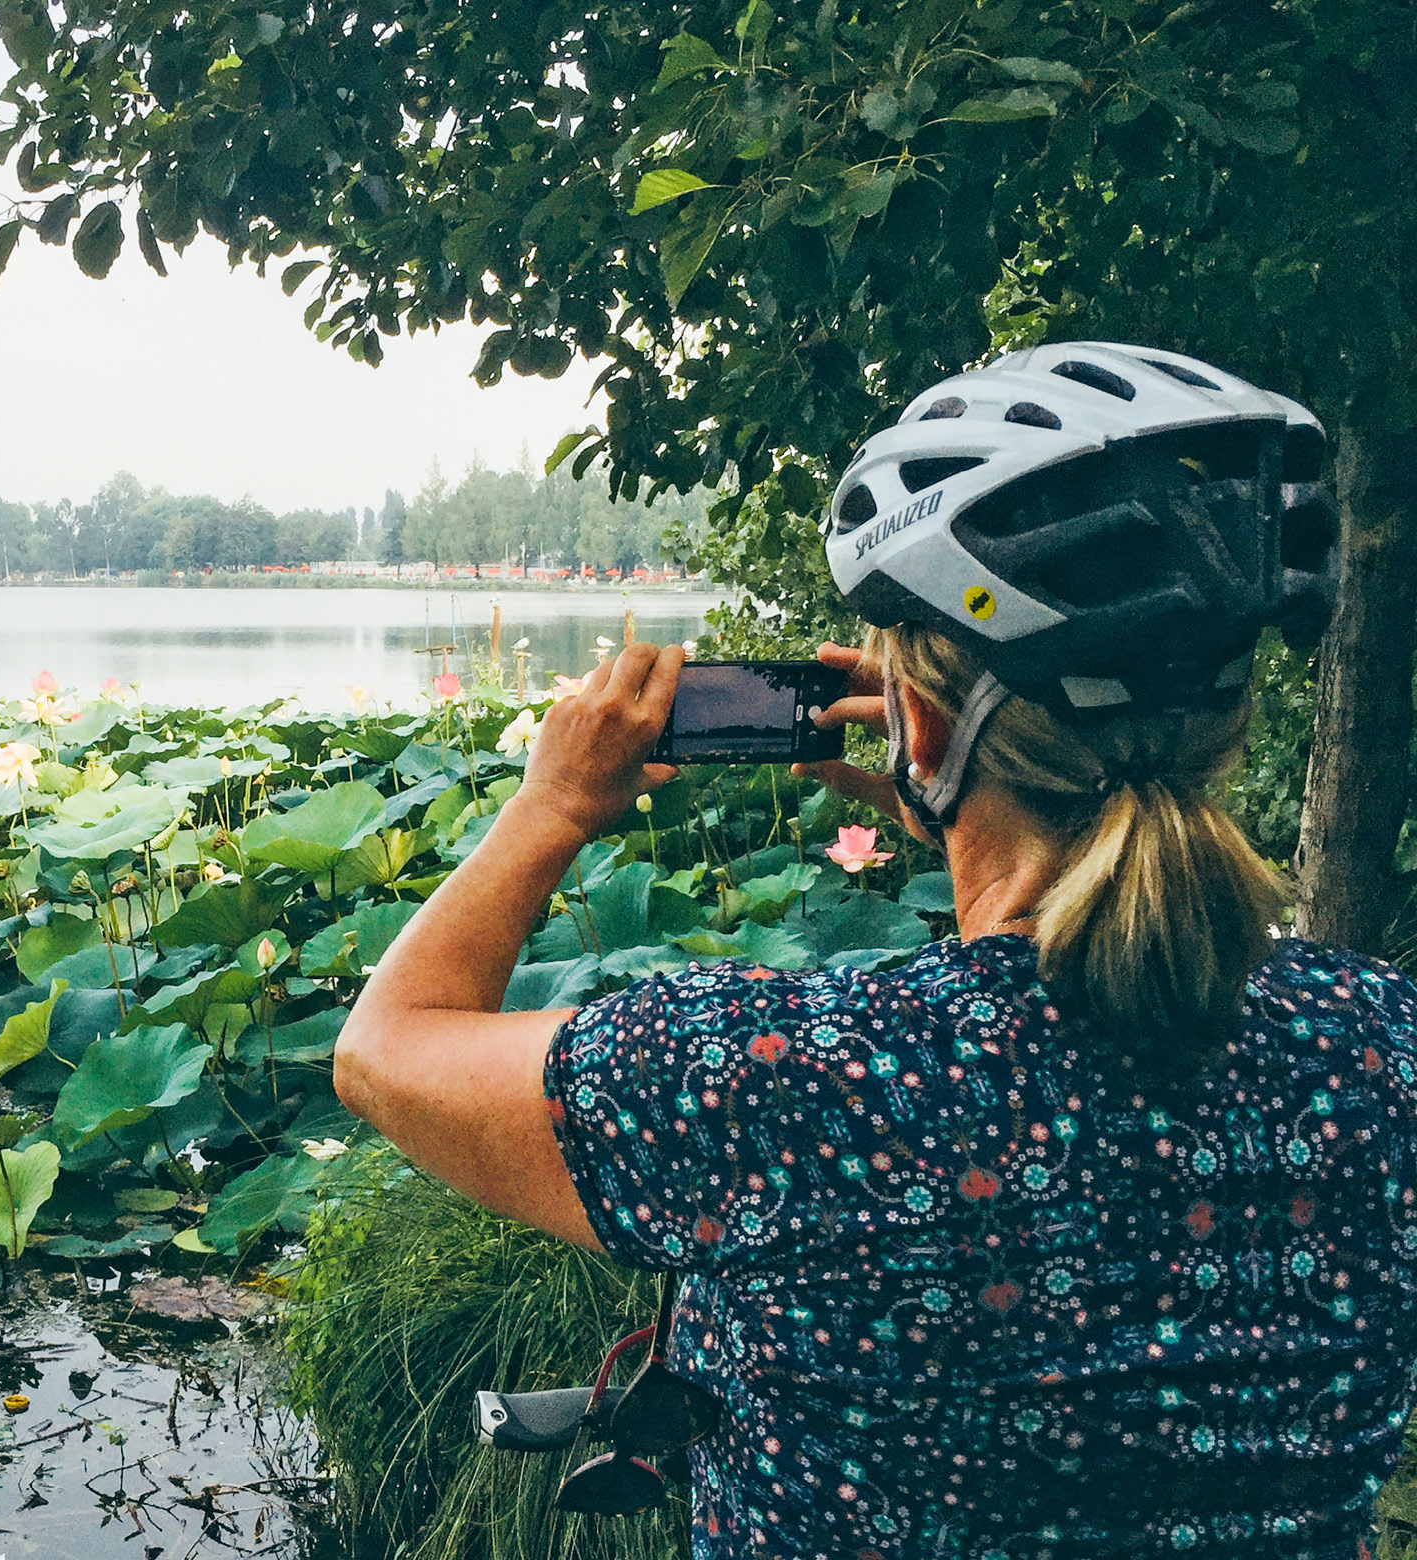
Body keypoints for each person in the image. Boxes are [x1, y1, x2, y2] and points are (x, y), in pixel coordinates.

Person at [336, 342, 1417, 1558]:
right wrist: (944, 785)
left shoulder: (779, 1081)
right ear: (1230, 713)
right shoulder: (1379, 1047)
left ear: (918, 716)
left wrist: (553, 804)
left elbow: (386, 1048)